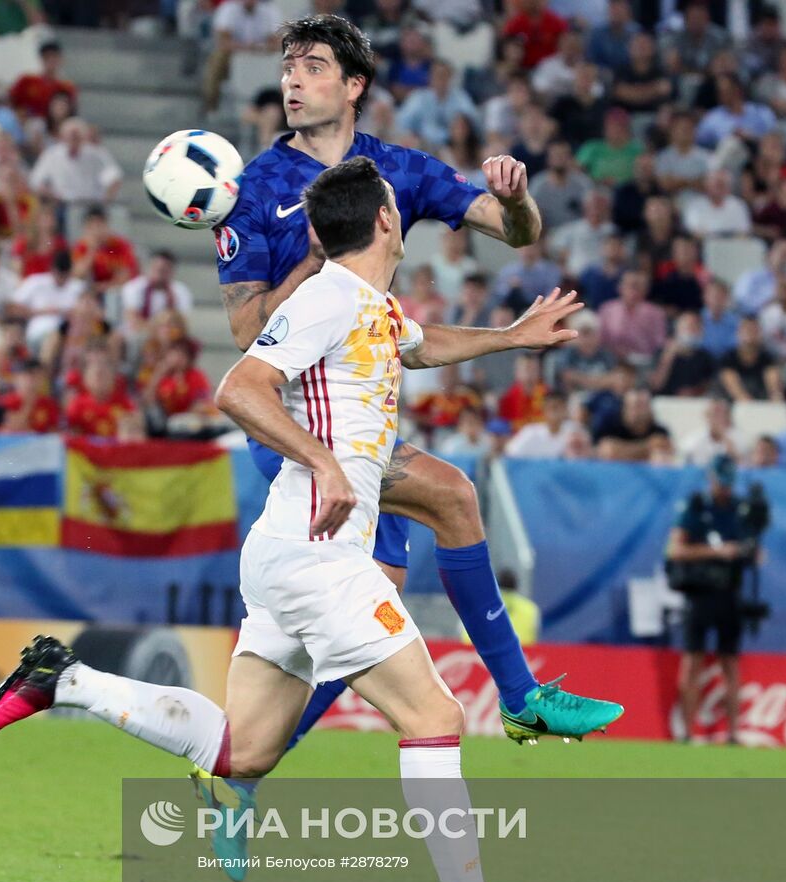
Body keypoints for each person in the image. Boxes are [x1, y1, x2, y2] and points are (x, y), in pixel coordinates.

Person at [0, 156, 592, 882]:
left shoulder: (367, 302)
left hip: (283, 551)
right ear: (384, 222)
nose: (401, 215)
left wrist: (510, 337)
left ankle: (64, 681)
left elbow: (422, 344)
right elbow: (240, 387)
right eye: (394, 208)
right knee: (434, 718)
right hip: (319, 552)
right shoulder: (327, 298)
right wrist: (325, 463)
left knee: (245, 753)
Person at [213, 13, 620, 754]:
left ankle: (238, 770)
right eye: (286, 69)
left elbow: (514, 232)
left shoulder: (396, 171)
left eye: (309, 67)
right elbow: (246, 337)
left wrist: (518, 196)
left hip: (363, 414)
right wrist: (317, 258)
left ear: (353, 83)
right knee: (452, 497)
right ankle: (521, 698)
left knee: (378, 596)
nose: (292, 82)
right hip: (301, 428)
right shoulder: (253, 189)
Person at [667, 456, 758, 744]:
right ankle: (687, 732)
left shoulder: (739, 510)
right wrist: (716, 552)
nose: (724, 490)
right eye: (721, 483)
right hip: (700, 593)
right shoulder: (696, 506)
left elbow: (753, 552)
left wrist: (746, 552)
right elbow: (675, 550)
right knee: (693, 660)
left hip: (729, 594)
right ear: (711, 478)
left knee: (730, 662)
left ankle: (733, 733)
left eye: (729, 484)